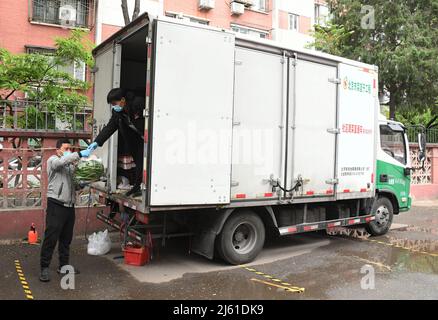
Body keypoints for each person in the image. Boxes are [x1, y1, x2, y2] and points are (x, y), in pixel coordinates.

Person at [39, 138, 93, 282]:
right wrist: (80, 155)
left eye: (70, 149)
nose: (69, 151)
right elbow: (60, 163)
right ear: (58, 150)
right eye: (66, 149)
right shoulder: (52, 161)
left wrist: (82, 183)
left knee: (66, 239)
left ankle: (63, 266)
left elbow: (73, 186)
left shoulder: (70, 167)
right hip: (56, 204)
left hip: (70, 207)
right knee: (51, 237)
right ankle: (44, 267)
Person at [87, 88, 145, 197]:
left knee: (144, 163)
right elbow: (109, 128)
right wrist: (96, 142)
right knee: (139, 163)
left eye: (114, 103)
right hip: (136, 141)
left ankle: (142, 187)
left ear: (123, 100)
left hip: (148, 138)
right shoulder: (117, 112)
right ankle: (137, 187)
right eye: (112, 104)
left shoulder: (138, 103)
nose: (113, 106)